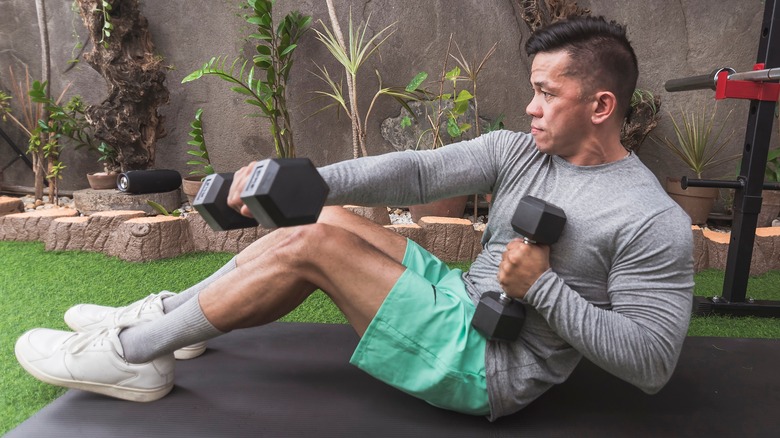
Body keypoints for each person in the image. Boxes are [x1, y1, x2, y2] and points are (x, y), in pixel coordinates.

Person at [15, 15, 694, 421]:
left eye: (548, 94)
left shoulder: (646, 218)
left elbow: (654, 364)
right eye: (533, 92)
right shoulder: (524, 151)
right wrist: (287, 182)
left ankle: (134, 358)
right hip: (458, 299)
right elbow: (419, 173)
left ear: (601, 106)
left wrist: (542, 287)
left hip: (487, 364)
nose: (531, 108)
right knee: (321, 217)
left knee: (307, 246)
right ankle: (165, 321)